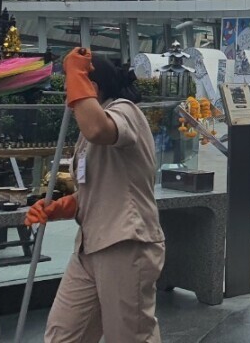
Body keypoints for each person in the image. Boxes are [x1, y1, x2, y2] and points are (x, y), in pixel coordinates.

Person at [25, 49, 165, 342]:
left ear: (92, 88)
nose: (68, 98)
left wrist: (76, 75)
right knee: (63, 334)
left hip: (125, 244)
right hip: (89, 247)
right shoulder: (88, 126)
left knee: (129, 336)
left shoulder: (126, 111)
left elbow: (98, 129)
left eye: (71, 89)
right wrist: (62, 207)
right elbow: (99, 187)